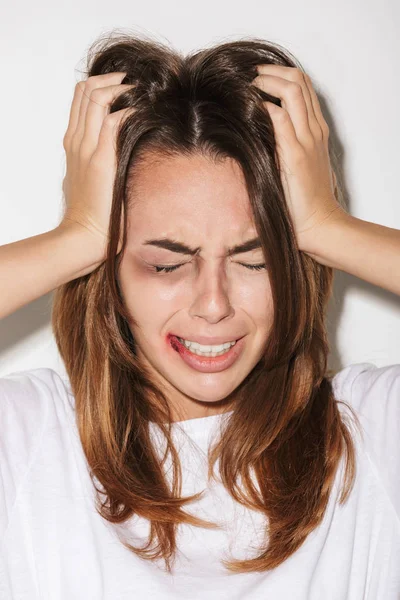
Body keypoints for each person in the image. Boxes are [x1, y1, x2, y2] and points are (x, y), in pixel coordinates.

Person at [0, 31, 399, 599]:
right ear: (108, 272)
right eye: (166, 266)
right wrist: (78, 237)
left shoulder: (373, 436)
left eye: (255, 261)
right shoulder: (26, 440)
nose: (214, 305)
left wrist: (328, 228)